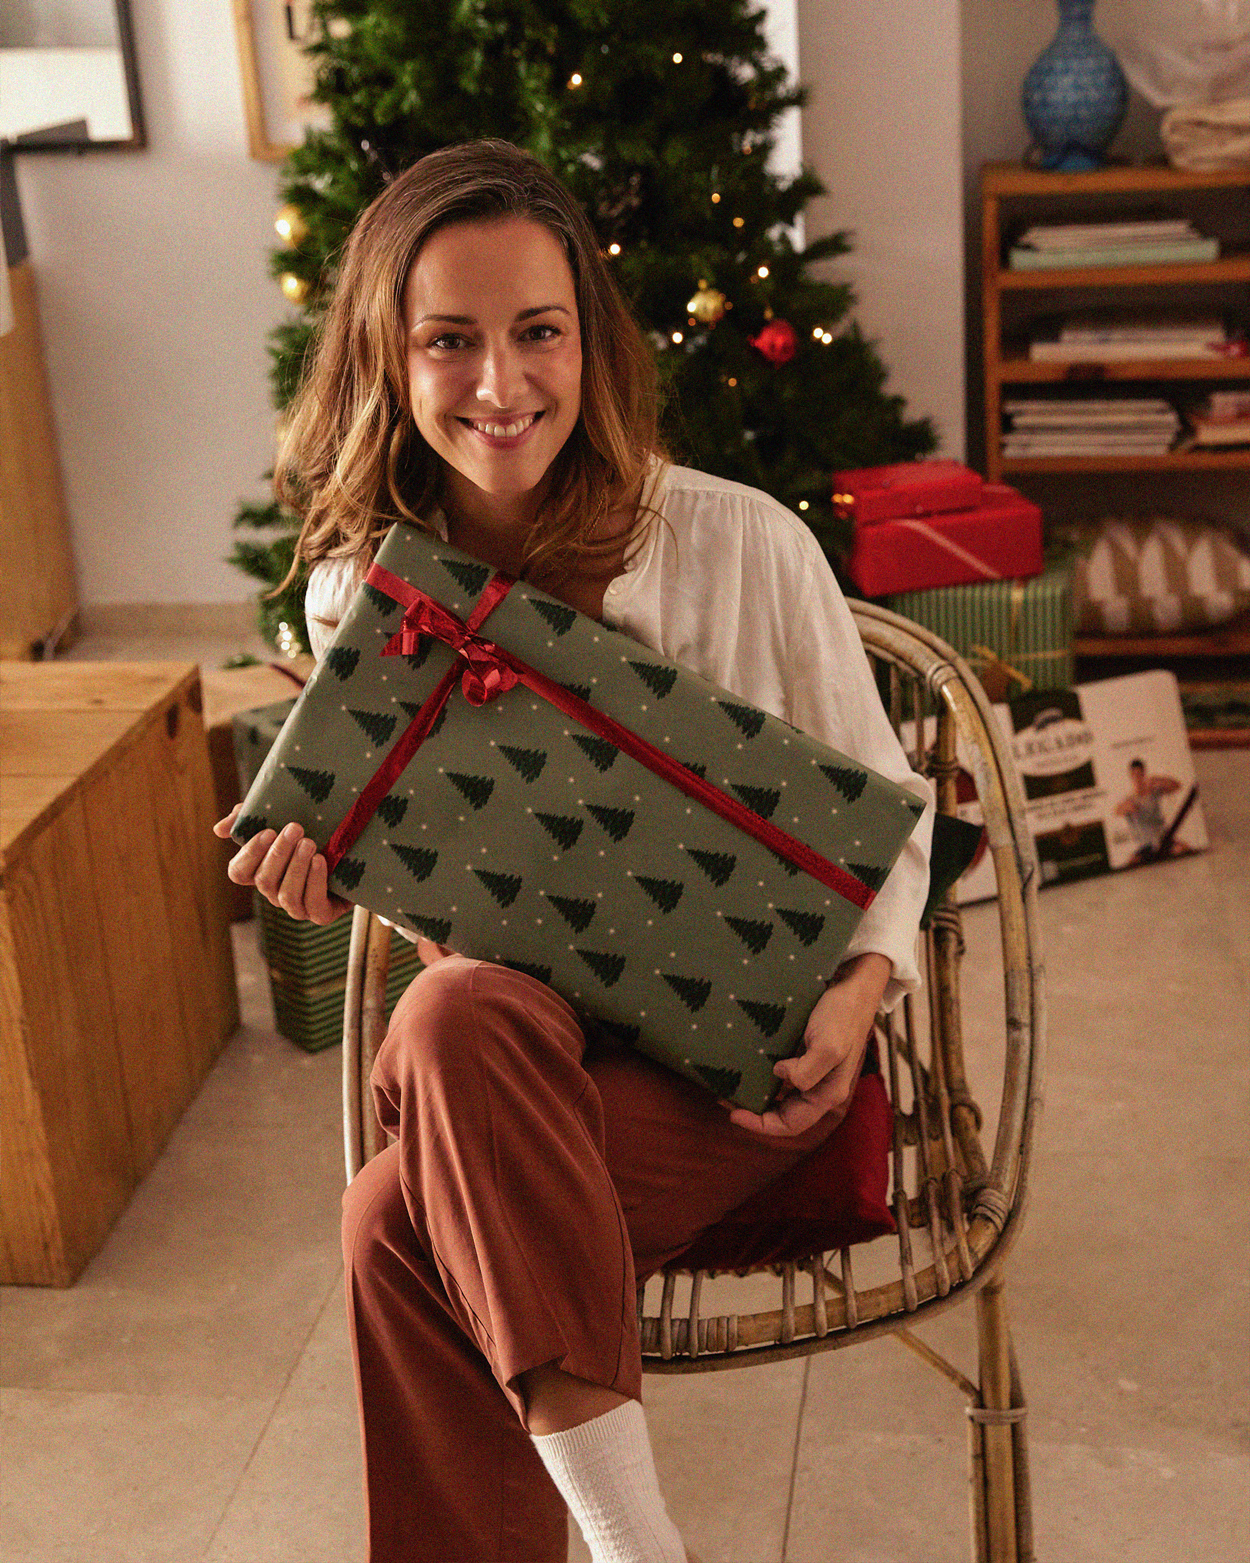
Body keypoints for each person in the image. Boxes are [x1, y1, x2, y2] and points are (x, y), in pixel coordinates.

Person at [215, 139, 933, 1563]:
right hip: (515, 1054)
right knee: (453, 1001)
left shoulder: (742, 542)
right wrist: (340, 868)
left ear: (589, 343)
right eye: (449, 342)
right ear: (386, 357)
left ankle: (626, 1543)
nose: (500, 385)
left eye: (537, 332)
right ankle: (635, 1544)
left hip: (737, 1077)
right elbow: (452, 919)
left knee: (391, 1228)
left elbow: (886, 827)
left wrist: (853, 1004)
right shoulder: (367, 591)